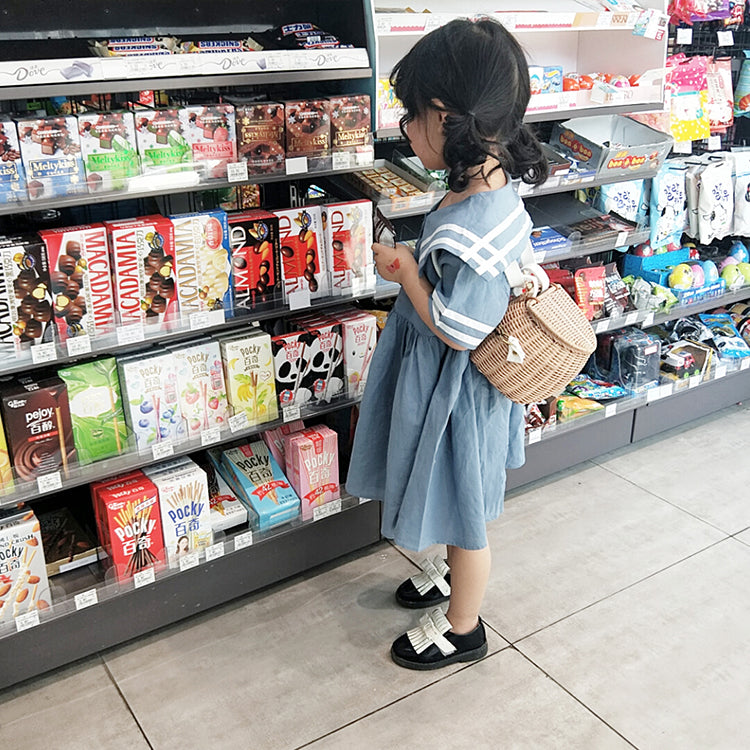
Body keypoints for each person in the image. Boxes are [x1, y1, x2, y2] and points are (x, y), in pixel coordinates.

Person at [346, 18, 548, 670]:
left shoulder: (476, 230)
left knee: (464, 512)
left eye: (412, 116)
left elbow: (461, 328)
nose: (405, 129)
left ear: (446, 118)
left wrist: (405, 269)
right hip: (445, 387)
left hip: (455, 395)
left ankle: (464, 626)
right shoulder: (486, 188)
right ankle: (444, 571)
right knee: (438, 485)